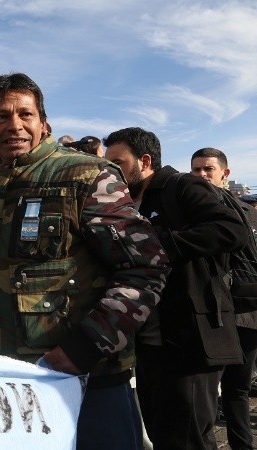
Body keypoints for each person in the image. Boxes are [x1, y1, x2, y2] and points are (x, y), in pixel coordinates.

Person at [0, 73, 170, 449]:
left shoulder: (85, 175)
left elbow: (147, 266)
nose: (14, 125)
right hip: (9, 380)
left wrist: (84, 347)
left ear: (43, 123)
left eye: (25, 114)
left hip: (86, 379)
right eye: (1, 116)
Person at [104, 128, 246, 449]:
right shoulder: (121, 203)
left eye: (117, 163)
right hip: (150, 343)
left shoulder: (182, 186)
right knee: (161, 434)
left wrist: (162, 244)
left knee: (189, 438)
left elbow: (231, 229)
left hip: (191, 340)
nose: (110, 172)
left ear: (145, 161)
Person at [190, 147, 257, 450]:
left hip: (242, 311)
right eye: (196, 170)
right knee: (209, 392)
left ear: (225, 174)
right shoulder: (193, 210)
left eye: (208, 169)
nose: (202, 175)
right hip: (216, 312)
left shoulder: (242, 210)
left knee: (236, 389)